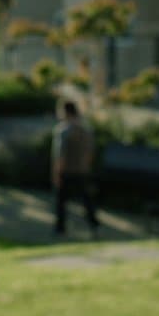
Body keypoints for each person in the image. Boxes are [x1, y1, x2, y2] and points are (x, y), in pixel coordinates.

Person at [51, 101, 99, 236]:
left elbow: (59, 154)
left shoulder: (63, 130)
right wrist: (86, 166)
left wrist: (56, 173)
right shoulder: (86, 129)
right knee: (87, 199)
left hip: (66, 171)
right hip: (83, 170)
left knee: (61, 201)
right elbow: (91, 152)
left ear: (65, 112)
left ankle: (60, 228)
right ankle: (94, 224)